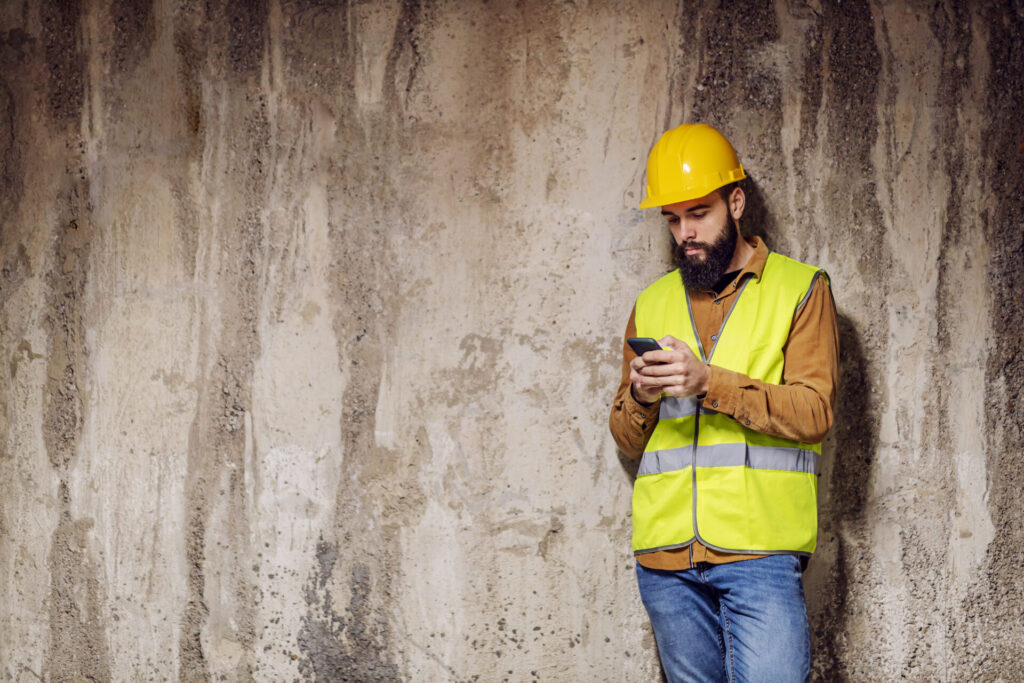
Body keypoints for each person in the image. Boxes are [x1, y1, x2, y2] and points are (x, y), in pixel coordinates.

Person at [609, 123, 839, 682]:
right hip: (665, 561)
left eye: (698, 213)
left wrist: (709, 381)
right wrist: (641, 394)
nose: (684, 232)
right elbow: (625, 436)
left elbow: (815, 413)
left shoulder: (801, 288)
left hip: (759, 554)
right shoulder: (652, 301)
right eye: (671, 218)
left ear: (735, 203)